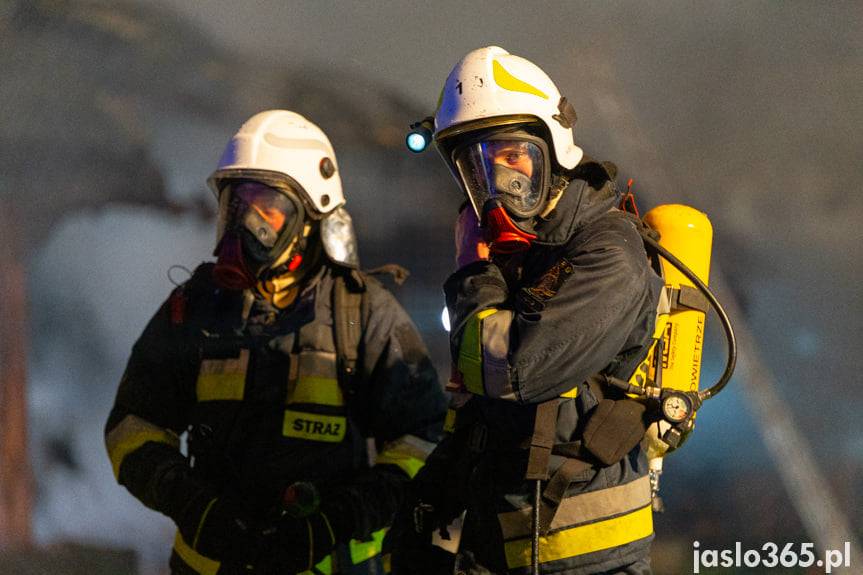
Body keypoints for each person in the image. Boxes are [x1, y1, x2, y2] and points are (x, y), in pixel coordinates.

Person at [105, 110, 447, 575]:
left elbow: (423, 441)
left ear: (309, 217)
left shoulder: (362, 313)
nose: (246, 224)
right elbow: (133, 427)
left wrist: (340, 519)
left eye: (266, 207)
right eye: (236, 204)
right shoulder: (194, 309)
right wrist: (194, 507)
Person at [388, 47, 664, 574]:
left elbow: (506, 371)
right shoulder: (523, 255)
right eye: (480, 164)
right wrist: (432, 498)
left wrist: (473, 268)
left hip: (587, 560)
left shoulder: (608, 253)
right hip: (507, 546)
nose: (500, 180)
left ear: (552, 150)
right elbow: (483, 410)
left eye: (513, 155)